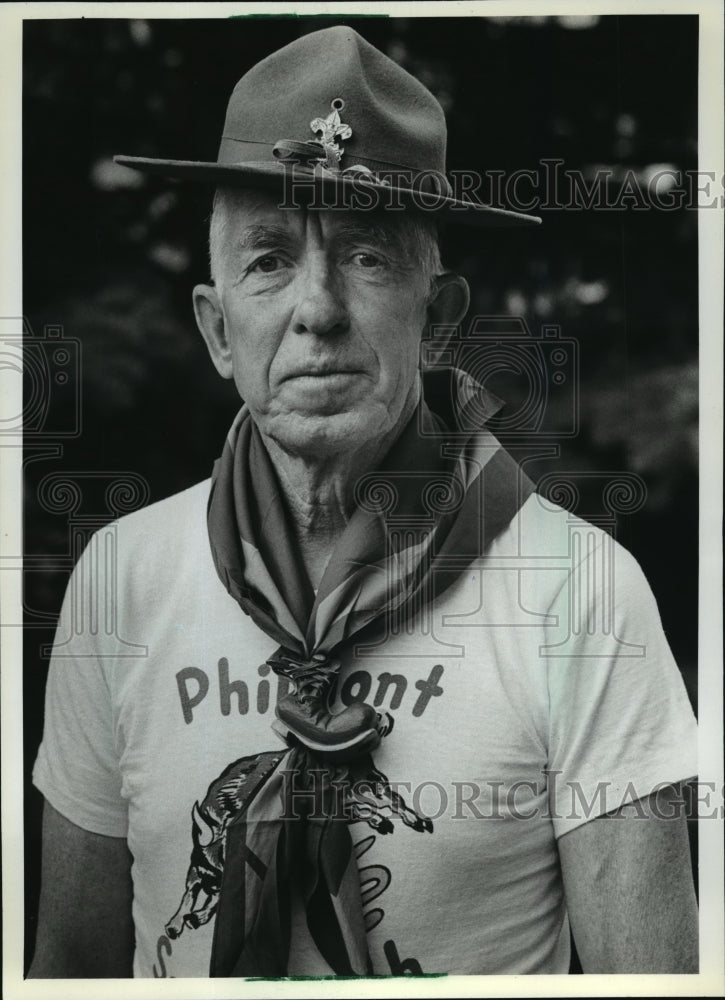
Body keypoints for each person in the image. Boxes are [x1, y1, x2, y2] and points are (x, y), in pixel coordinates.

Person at [29, 26, 698, 978]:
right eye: (266, 259)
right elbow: (65, 970)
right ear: (218, 331)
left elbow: (653, 984)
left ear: (440, 317)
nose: (317, 308)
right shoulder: (120, 578)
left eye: (367, 257)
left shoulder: (583, 596)